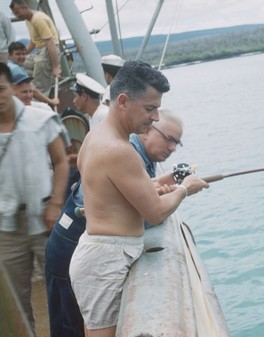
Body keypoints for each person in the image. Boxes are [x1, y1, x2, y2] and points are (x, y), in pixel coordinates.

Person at [69, 60, 208, 337]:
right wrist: (184, 189)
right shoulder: (120, 150)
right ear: (122, 101)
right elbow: (155, 213)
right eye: (149, 108)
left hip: (97, 255)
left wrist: (157, 183)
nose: (155, 117)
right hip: (105, 262)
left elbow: (114, 194)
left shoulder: (95, 137)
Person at [46, 109, 184, 337]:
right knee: (68, 325)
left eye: (177, 143)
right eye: (168, 139)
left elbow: (121, 198)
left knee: (83, 324)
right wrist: (182, 191)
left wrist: (155, 185)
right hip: (70, 245)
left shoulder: (119, 148)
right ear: (147, 130)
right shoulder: (125, 154)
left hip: (80, 244)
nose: (172, 148)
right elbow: (145, 214)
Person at [0, 62, 69, 335]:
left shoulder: (40, 119)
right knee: (14, 300)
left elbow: (61, 162)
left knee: (61, 287)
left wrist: (55, 203)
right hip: (6, 226)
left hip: (44, 217)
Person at [10, 0, 61, 96]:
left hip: (48, 51)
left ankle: (39, 98)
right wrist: (22, 54)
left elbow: (50, 43)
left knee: (39, 87)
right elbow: (33, 41)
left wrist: (55, 67)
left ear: (25, 7)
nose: (17, 16)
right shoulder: (28, 20)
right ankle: (33, 82)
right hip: (39, 51)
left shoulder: (38, 19)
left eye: (17, 12)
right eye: (14, 13)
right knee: (19, 63)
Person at [8, 41, 60, 107]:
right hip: (15, 105)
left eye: (23, 54)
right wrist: (51, 101)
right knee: (45, 107)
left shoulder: (9, 66)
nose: (21, 57)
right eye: (18, 54)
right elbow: (33, 91)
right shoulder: (15, 69)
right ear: (10, 56)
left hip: (13, 103)